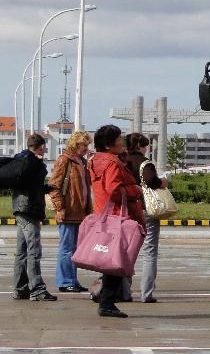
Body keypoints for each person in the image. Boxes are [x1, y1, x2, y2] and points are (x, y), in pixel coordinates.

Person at [88, 125, 145, 318]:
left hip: (104, 214)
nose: (122, 142)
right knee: (114, 262)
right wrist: (135, 190)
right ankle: (107, 302)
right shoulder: (112, 163)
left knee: (109, 261)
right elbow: (114, 189)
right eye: (119, 139)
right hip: (117, 215)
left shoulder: (95, 161)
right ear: (108, 144)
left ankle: (107, 300)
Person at [122, 133, 166, 303]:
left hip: (127, 209)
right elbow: (151, 181)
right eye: (145, 145)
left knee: (127, 251)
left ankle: (125, 291)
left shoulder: (122, 162)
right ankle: (146, 293)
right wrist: (163, 182)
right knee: (149, 251)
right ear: (140, 146)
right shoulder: (144, 163)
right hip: (145, 209)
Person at [12, 134, 56, 302]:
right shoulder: (34, 163)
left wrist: (45, 188)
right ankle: (37, 289)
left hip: (19, 207)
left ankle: (20, 288)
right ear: (41, 146)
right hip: (29, 210)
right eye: (44, 146)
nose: (45, 149)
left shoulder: (20, 160)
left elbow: (29, 186)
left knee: (22, 251)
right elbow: (33, 185)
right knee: (34, 250)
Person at [47, 131, 93, 294]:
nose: (86, 149)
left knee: (74, 248)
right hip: (68, 211)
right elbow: (54, 186)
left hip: (79, 211)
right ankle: (65, 281)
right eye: (84, 146)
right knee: (66, 248)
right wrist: (60, 207)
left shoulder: (80, 161)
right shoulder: (64, 160)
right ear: (76, 145)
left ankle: (72, 280)